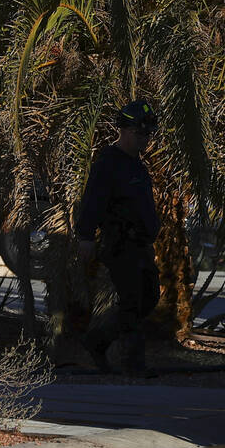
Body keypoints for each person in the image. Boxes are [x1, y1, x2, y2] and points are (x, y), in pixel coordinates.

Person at [75, 99, 161, 376]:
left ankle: (96, 342)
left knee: (149, 297)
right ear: (123, 130)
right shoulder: (109, 163)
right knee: (132, 300)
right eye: (139, 133)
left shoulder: (137, 166)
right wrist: (85, 236)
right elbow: (92, 202)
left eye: (148, 134)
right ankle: (134, 365)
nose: (145, 140)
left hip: (142, 245)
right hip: (120, 244)